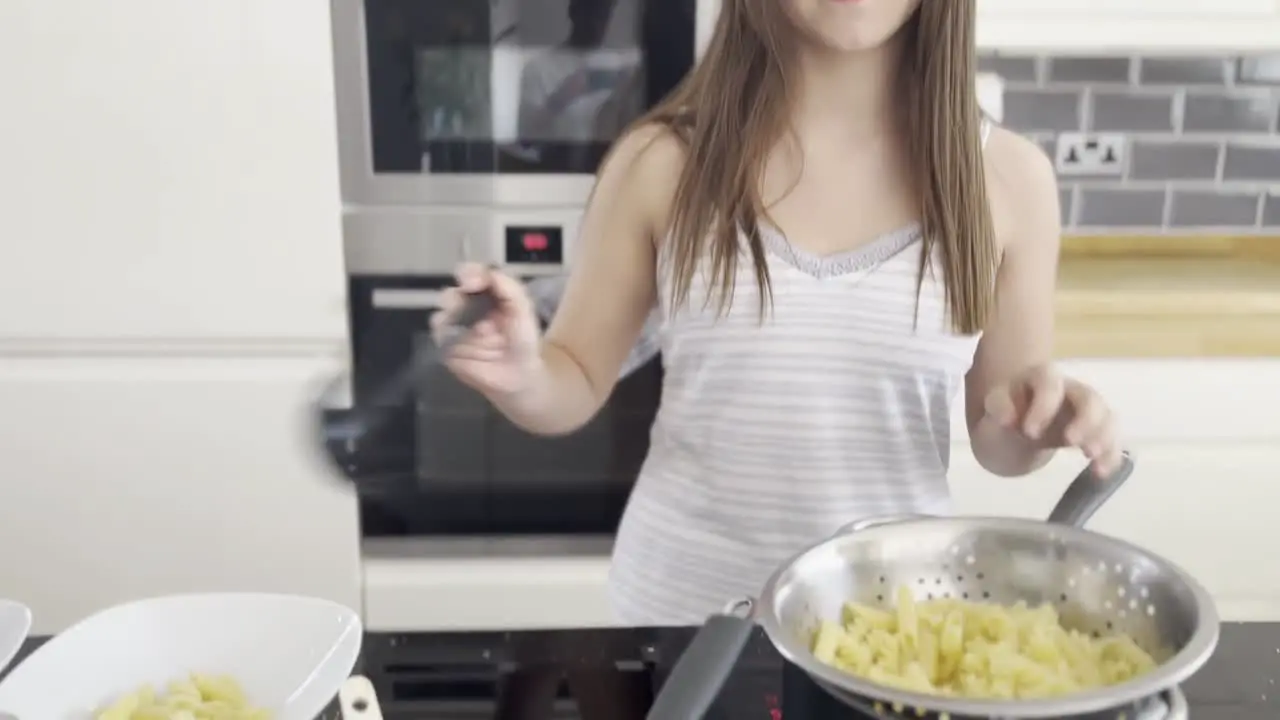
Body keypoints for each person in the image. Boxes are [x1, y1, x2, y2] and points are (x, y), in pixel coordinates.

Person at [433, 0, 1122, 634]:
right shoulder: (660, 163)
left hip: (890, 630)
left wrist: (1041, 422)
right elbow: (574, 378)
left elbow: (1000, 436)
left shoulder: (1009, 181)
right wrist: (523, 375)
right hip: (682, 624)